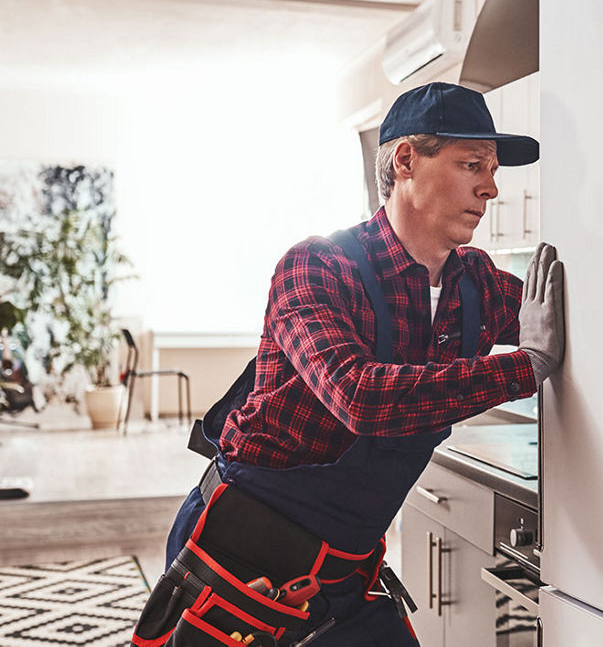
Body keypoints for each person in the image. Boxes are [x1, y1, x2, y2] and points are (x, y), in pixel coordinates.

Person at [132, 82, 565, 646]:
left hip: (347, 569)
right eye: (471, 164)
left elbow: (569, 322)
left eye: (492, 169)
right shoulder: (318, 267)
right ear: (406, 161)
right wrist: (523, 368)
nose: (491, 186)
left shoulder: (476, 284)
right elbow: (359, 398)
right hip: (243, 559)